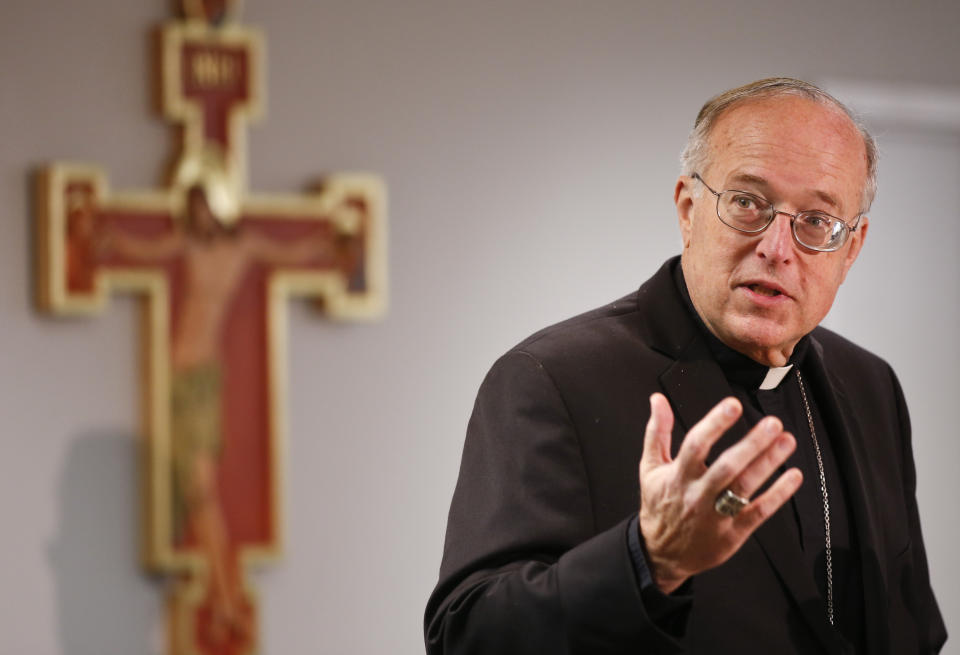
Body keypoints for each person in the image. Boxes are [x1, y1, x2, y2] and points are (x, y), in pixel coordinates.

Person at [424, 78, 947, 654]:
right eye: (748, 202)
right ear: (688, 209)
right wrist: (649, 560)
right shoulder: (553, 379)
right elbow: (466, 634)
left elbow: (910, 625)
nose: (778, 246)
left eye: (817, 221)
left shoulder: (870, 385)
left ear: (852, 248)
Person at [98, 150, 363, 648]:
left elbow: (293, 255)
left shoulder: (242, 249)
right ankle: (223, 599)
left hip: (202, 383)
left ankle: (223, 600)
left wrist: (334, 242)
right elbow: (143, 250)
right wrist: (109, 241)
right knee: (191, 496)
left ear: (218, 205)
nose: (198, 214)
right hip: (175, 377)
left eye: (204, 204)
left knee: (200, 491)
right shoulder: (186, 245)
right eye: (192, 205)